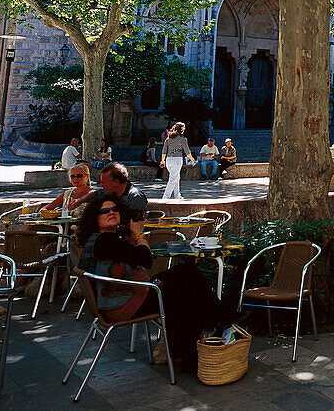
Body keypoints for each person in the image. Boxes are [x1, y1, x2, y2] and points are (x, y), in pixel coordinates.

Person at [77, 195, 228, 367]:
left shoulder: (100, 239)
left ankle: (198, 335)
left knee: (188, 275)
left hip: (119, 298)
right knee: (188, 288)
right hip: (124, 304)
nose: (111, 212)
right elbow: (146, 260)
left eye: (114, 209)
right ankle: (213, 326)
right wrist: (138, 234)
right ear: (95, 218)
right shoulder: (105, 241)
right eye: (104, 211)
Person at [73, 162, 150, 219]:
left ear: (116, 182)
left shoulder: (135, 197)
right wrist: (80, 200)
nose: (101, 185)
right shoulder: (110, 191)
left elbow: (136, 224)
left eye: (104, 182)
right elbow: (96, 194)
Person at [161, 122, 195, 200]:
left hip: (168, 160)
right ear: (182, 129)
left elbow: (164, 151)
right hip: (177, 160)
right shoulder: (183, 139)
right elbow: (187, 151)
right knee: (173, 179)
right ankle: (165, 197)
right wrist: (192, 159)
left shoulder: (168, 138)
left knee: (176, 177)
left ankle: (177, 195)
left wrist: (162, 161)